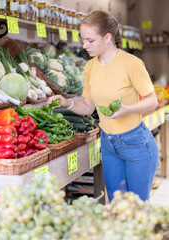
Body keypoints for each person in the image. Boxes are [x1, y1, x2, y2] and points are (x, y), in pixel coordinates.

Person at [47, 10, 158, 202]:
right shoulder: (90, 66)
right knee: (116, 207)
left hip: (136, 144)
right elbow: (88, 107)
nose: (84, 45)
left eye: (90, 40)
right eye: (83, 40)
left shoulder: (132, 63)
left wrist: (127, 109)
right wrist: (66, 102)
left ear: (107, 37)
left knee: (137, 209)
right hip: (108, 145)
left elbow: (152, 100)